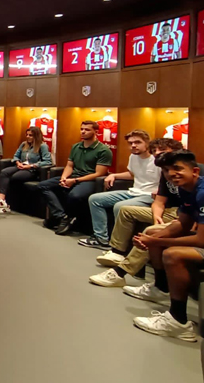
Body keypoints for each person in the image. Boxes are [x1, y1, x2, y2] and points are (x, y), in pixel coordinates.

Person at [89, 138, 187, 287]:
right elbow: (159, 202)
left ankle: (120, 273)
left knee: (151, 231)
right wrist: (157, 217)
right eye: (155, 151)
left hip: (186, 217)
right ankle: (117, 252)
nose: (158, 154)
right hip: (172, 212)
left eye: (163, 151)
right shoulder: (166, 172)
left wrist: (182, 221)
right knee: (126, 210)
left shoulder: (191, 171)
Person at [127, 151, 203, 342]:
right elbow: (183, 224)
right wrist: (150, 238)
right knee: (153, 233)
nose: (172, 174)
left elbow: (201, 241)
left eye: (177, 168)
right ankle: (160, 288)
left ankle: (178, 321)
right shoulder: (186, 188)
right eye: (167, 171)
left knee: (172, 254)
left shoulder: (202, 192)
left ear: (194, 171)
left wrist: (157, 242)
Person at [79, 130, 160, 249]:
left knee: (120, 206)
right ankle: (101, 239)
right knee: (95, 199)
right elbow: (132, 174)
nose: (133, 145)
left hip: (149, 196)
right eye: (130, 143)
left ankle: (120, 245)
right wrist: (114, 175)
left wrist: (160, 191)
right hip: (134, 191)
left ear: (147, 143)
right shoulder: (133, 156)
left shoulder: (157, 159)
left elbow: (168, 180)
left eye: (137, 142)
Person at [38, 120, 111, 235]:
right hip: (73, 177)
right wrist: (63, 178)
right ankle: (62, 217)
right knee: (43, 185)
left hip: (89, 180)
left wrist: (75, 180)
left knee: (74, 195)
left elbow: (99, 174)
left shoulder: (103, 150)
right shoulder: (76, 147)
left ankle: (63, 218)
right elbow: (69, 165)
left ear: (96, 132)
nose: (83, 132)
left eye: (87, 130)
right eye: (82, 129)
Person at [0, 126, 52, 214]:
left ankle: (8, 204)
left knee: (14, 177)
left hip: (32, 170)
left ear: (36, 136)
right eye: (27, 135)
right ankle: (1, 200)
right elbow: (16, 156)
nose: (28, 137)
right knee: (4, 172)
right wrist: (18, 162)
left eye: (30, 135)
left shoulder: (42, 146)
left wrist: (31, 166)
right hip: (21, 166)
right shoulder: (24, 144)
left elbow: (47, 161)